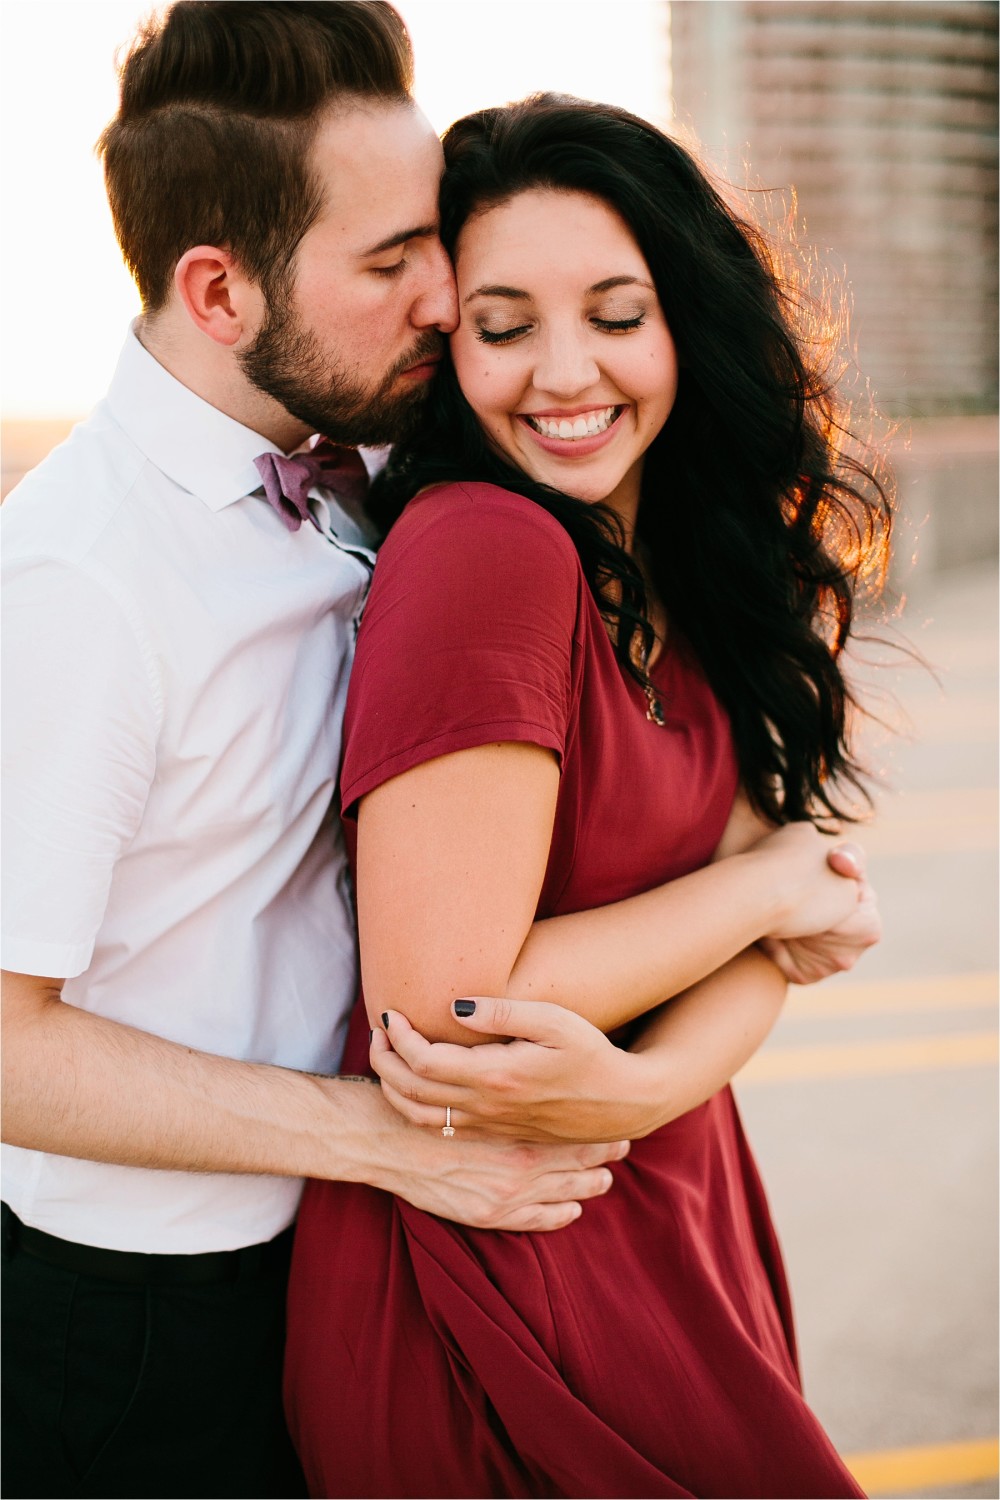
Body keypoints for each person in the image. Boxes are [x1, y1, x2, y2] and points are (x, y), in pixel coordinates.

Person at [0, 11, 636, 1498]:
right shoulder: (78, 583)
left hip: (360, 1250)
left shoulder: (372, 459)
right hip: (149, 1318)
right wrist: (387, 1139)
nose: (445, 296)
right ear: (218, 291)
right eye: (390, 259)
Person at [283, 95, 892, 1498]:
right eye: (504, 327)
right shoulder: (489, 548)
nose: (567, 374)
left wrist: (648, 1078)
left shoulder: (673, 559)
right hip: (497, 1255)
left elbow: (781, 925)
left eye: (617, 314)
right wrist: (762, 891)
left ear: (688, 320)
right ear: (448, 351)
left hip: (648, 1181)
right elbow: (449, 1006)